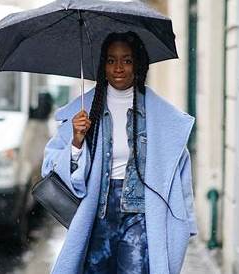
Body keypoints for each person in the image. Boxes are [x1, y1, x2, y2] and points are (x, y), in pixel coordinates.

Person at [42, 31, 197, 274]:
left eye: (127, 60)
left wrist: (185, 219)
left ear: (138, 64)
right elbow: (51, 164)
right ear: (102, 65)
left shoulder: (161, 116)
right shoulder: (83, 111)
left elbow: (180, 173)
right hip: (96, 215)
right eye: (111, 60)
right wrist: (77, 141)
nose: (118, 68)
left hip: (140, 217)